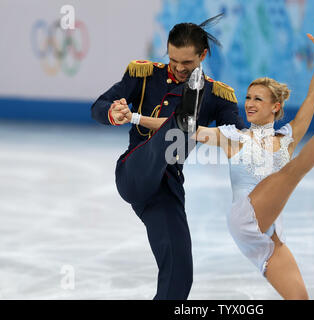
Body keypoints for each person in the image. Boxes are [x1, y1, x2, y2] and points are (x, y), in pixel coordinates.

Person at [129, 19, 314, 299]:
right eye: (248, 97)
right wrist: (135, 117)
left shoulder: (287, 137)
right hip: (245, 217)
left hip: (268, 233)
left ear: (276, 107)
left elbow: (313, 96)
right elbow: (180, 126)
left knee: (300, 298)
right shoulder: (232, 137)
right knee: (293, 172)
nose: (249, 103)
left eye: (258, 99)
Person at [90, 14, 246, 300]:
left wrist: (259, 133)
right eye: (173, 60)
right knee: (172, 133)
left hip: (166, 187)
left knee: (180, 274)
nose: (178, 67)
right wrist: (112, 112)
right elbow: (98, 106)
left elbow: (237, 133)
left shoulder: (218, 95)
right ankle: (181, 119)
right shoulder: (144, 75)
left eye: (187, 63)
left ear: (203, 55)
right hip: (134, 171)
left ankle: (182, 120)